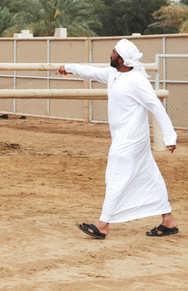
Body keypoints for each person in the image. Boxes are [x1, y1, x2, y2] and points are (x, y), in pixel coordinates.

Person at [57, 39, 178, 239]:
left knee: (115, 176)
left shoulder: (137, 81)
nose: (110, 54)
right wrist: (67, 67)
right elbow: (90, 71)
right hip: (123, 137)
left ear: (121, 59)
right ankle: (169, 220)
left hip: (131, 140)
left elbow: (156, 106)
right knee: (150, 176)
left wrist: (169, 136)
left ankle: (103, 224)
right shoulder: (113, 74)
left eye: (113, 52)